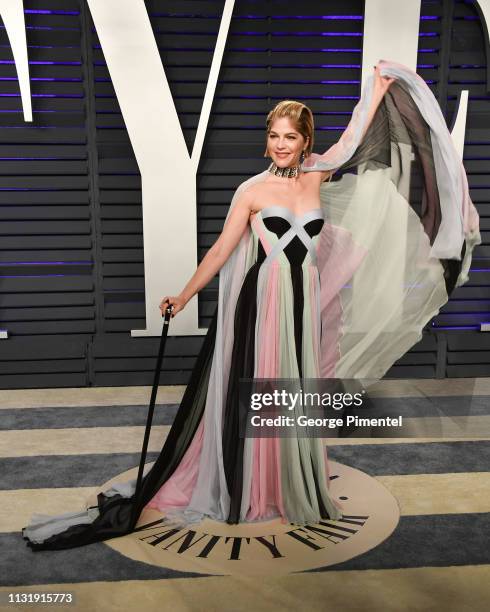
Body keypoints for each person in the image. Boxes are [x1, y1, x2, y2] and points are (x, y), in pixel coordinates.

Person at [22, 60, 480, 550]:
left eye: (292, 137)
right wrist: (184, 294)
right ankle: (253, 482)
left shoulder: (318, 178)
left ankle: (288, 479)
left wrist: (378, 90)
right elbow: (221, 250)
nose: (282, 144)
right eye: (275, 136)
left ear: (306, 142)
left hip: (302, 303)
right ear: (268, 139)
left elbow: (352, 141)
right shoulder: (252, 191)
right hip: (263, 302)